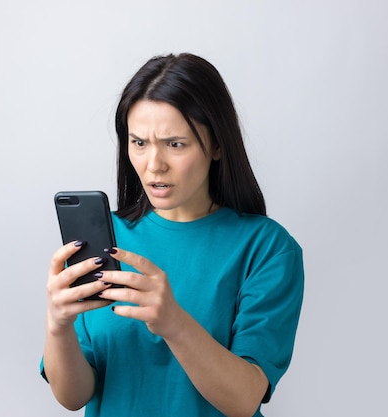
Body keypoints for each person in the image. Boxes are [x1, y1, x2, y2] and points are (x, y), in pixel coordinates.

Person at [41, 53, 304, 417]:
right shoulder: (104, 240)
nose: (154, 165)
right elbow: (74, 396)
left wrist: (174, 323)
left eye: (175, 144)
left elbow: (245, 399)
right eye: (139, 143)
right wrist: (58, 326)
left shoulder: (267, 248)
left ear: (217, 145)